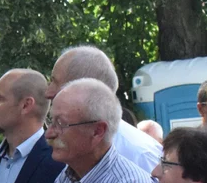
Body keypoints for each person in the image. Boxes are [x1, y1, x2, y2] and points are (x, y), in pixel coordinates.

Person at [46, 45, 163, 175]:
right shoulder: (69, 162)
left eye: (55, 82)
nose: (48, 93)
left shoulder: (140, 156)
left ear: (85, 88)